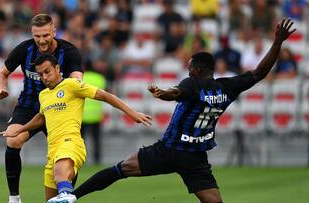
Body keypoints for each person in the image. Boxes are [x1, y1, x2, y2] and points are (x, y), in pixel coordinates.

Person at [67, 18, 295, 203]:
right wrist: (277, 43)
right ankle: (71, 197)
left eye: (189, 67)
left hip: (170, 150)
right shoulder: (227, 87)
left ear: (196, 70)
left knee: (120, 170)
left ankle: (71, 196)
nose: (187, 69)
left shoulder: (191, 83)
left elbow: (175, 93)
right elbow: (259, 73)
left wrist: (162, 93)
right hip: (195, 158)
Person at [0, 54, 152, 203]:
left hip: (71, 142)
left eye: (47, 71)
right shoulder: (43, 94)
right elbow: (42, 117)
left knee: (60, 173)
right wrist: (21, 129)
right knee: (51, 198)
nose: (44, 77)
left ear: (57, 68)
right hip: (52, 149)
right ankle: (65, 195)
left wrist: (132, 113)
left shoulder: (72, 85)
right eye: (41, 74)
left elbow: (105, 96)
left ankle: (65, 193)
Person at [0, 14, 83, 203]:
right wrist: (1, 88)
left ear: (54, 32)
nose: (41, 40)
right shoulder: (25, 49)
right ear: (32, 34)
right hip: (29, 106)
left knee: (67, 156)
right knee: (13, 139)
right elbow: (2, 73)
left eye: (45, 35)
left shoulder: (69, 51)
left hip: (58, 109)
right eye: (37, 36)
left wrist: (73, 84)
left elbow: (77, 80)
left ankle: (66, 195)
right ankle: (14, 198)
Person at [81, 65, 107, 164]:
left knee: (80, 141)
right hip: (96, 115)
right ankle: (97, 159)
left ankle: (81, 159)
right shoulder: (100, 78)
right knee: (96, 140)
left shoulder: (81, 77)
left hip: (82, 114)